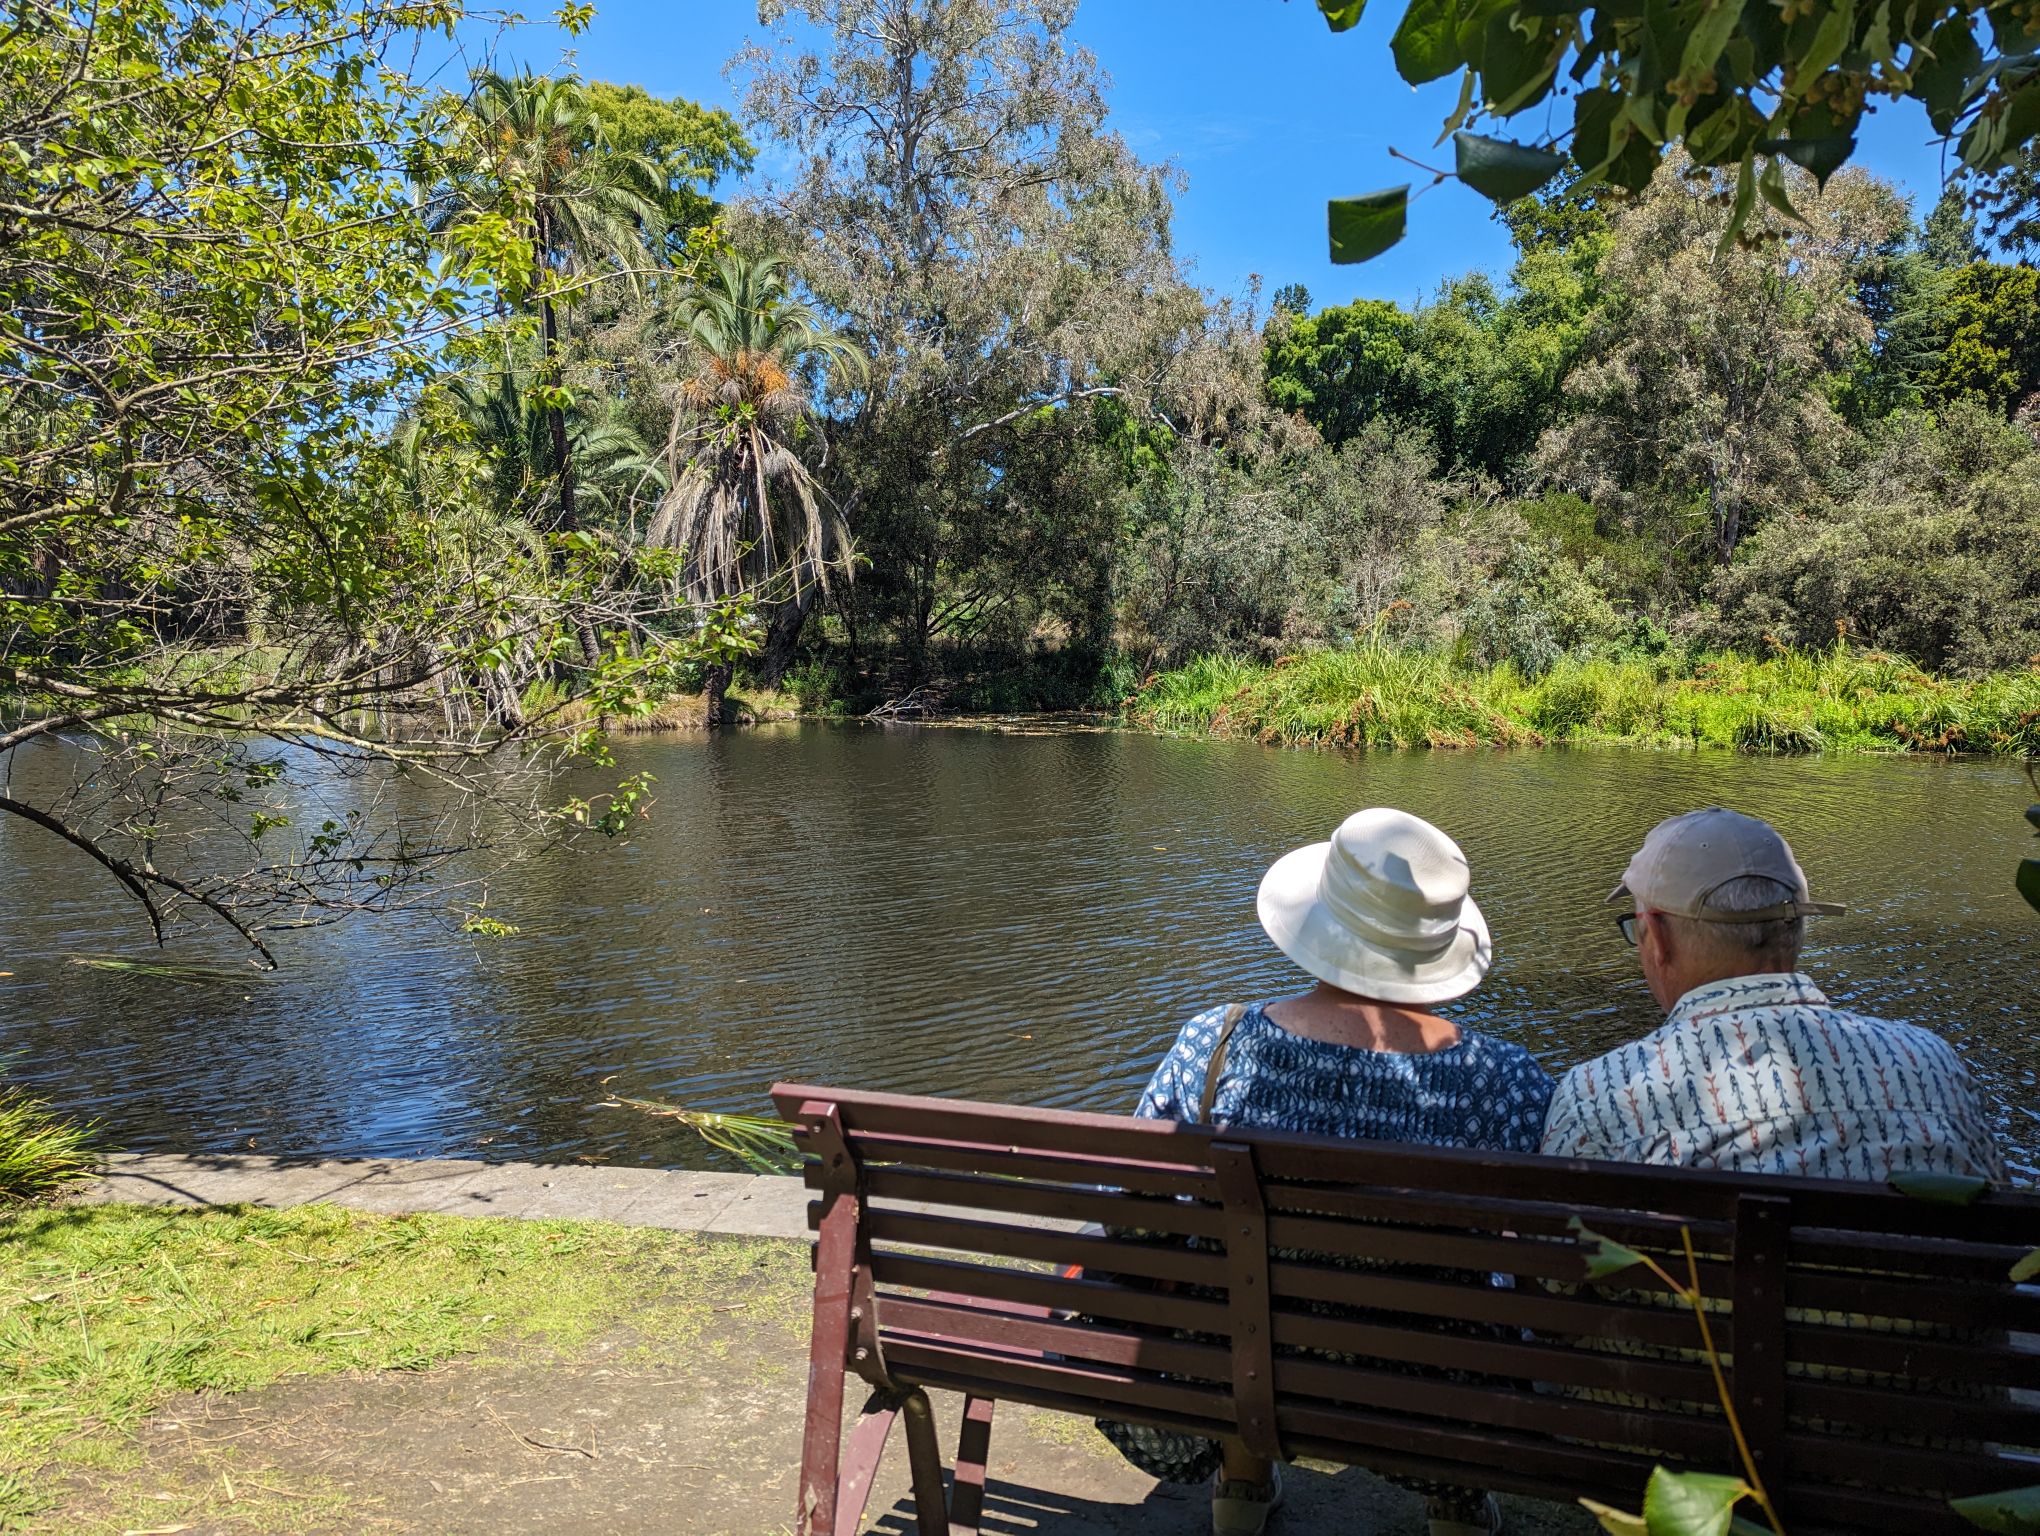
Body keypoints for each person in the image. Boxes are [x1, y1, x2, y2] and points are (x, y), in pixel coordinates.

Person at [1105, 807, 1553, 1536]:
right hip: (1432, 1389)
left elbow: (1132, 1206)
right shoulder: (1501, 1079)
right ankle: (1457, 1499)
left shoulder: (1213, 1045)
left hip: (1238, 1369)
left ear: (1321, 927)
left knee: (1231, 1266)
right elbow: (1551, 1248)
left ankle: (1242, 1478)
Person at [1542, 806, 2004, 1181]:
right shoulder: (1933, 1067)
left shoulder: (1598, 1097)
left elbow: (1553, 1273)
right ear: (1797, 930)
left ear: (1657, 939)